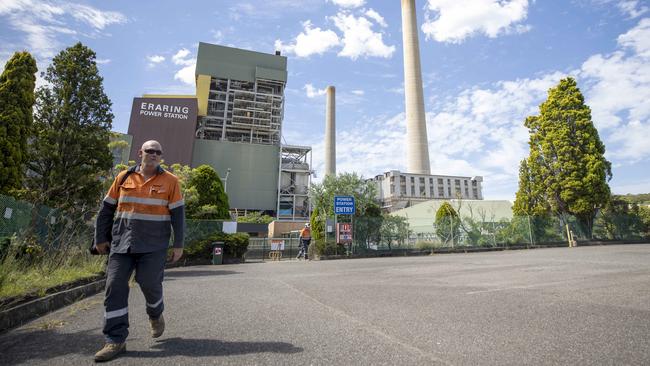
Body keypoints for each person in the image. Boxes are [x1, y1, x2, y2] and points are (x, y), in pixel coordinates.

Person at [93, 140, 185, 362]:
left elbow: (178, 216)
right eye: (149, 151)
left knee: (149, 283)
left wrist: (179, 244)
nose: (153, 154)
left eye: (157, 152)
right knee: (114, 286)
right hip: (121, 243)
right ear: (140, 153)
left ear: (161, 156)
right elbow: (106, 210)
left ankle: (155, 314)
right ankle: (115, 340)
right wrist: (100, 238)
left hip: (154, 245)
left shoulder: (171, 181)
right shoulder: (123, 177)